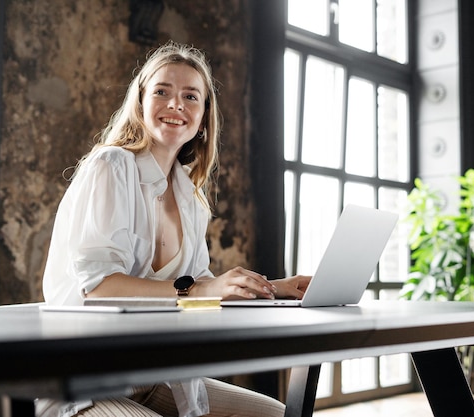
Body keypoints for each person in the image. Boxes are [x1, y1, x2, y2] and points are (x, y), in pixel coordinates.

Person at [39, 41, 311, 417]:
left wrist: (271, 288)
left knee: (279, 414)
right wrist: (200, 289)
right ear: (140, 103)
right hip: (88, 383)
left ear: (203, 117)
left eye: (190, 96)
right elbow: (99, 288)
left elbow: (200, 301)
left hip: (155, 377)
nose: (176, 105)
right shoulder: (111, 166)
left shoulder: (190, 198)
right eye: (162, 92)